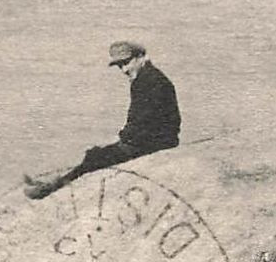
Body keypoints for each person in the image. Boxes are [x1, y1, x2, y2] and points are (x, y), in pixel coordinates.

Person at [24, 41, 181, 200]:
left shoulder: (148, 81)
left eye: (126, 63)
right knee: (96, 154)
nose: (124, 70)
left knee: (95, 157)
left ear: (141, 57)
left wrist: (122, 140)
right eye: (120, 66)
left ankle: (50, 188)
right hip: (154, 140)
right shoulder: (148, 77)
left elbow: (141, 120)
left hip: (151, 144)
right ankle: (51, 184)